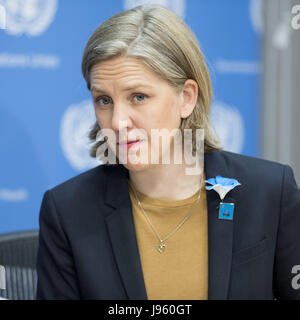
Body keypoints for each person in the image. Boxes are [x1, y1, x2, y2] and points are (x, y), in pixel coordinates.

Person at [36, 5, 300, 300]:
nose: (119, 122)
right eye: (104, 100)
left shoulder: (270, 192)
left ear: (186, 98)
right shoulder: (68, 211)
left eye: (138, 97)